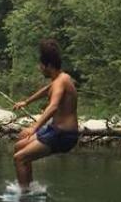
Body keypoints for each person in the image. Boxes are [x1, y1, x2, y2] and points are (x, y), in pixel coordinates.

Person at [12, 38, 79, 188]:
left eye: (41, 65)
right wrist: (26, 102)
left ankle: (24, 197)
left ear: (48, 66)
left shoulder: (60, 82)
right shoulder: (61, 79)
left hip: (64, 135)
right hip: (55, 130)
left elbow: (53, 106)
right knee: (18, 147)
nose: (39, 68)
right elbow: (47, 89)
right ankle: (28, 186)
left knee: (19, 158)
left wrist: (33, 128)